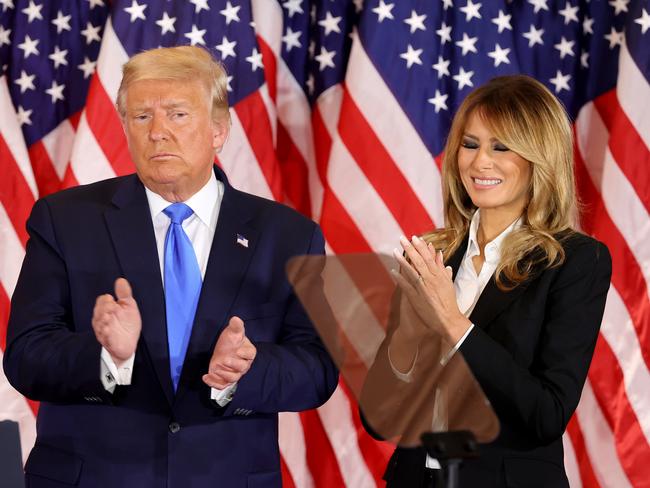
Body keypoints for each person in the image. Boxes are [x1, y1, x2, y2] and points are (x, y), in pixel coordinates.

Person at [4, 45, 338, 488]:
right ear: (124, 127)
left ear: (219, 130)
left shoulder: (288, 236)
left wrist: (245, 370)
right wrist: (106, 357)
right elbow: (26, 357)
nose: (158, 132)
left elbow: (318, 368)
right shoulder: (65, 220)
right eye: (142, 117)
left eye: (177, 115)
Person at [362, 75, 612, 487]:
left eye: (501, 146)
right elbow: (378, 419)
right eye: (470, 143)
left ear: (540, 157)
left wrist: (454, 324)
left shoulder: (575, 261)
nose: (480, 162)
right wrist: (408, 333)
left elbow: (545, 414)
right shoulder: (430, 255)